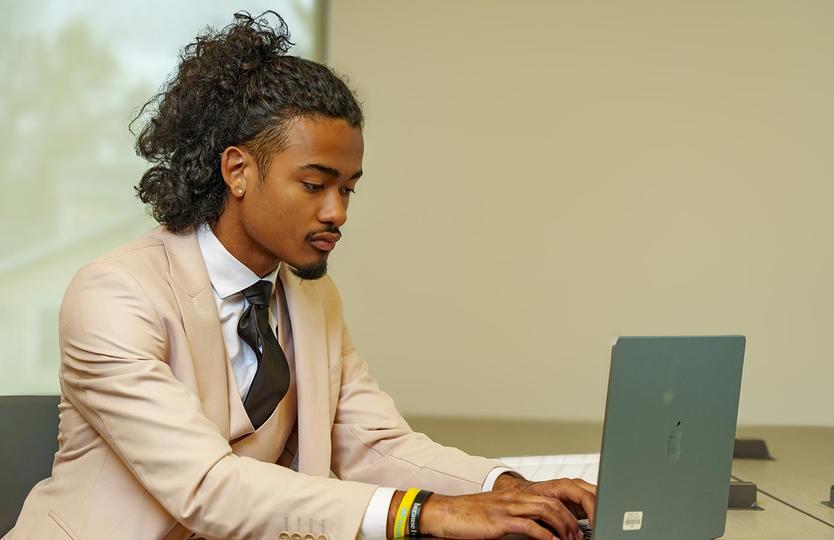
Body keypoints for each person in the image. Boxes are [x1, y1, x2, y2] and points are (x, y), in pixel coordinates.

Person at [8, 12, 595, 540]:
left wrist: (508, 488)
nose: (337, 212)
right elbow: (207, 487)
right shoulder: (114, 294)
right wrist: (424, 513)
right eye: (315, 185)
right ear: (238, 170)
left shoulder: (313, 297)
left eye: (348, 189)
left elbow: (374, 444)